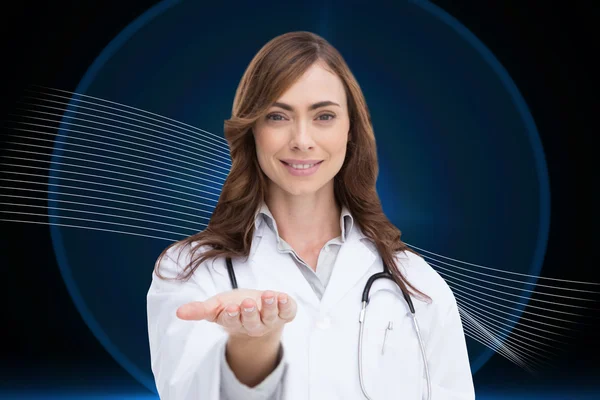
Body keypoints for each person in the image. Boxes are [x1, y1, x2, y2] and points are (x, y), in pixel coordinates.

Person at [146, 31, 475, 400]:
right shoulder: (189, 273)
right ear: (252, 129)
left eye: (324, 116)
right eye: (277, 116)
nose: (302, 139)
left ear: (351, 129)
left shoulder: (416, 282)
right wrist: (251, 349)